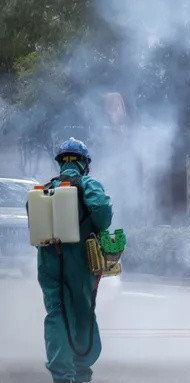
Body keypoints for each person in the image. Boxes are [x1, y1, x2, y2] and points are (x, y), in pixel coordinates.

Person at [36, 137, 113, 383]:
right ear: (84, 163)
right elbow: (102, 212)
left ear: (60, 162)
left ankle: (61, 375)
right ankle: (81, 373)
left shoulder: (45, 189)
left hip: (49, 263)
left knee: (57, 313)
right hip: (80, 262)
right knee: (82, 312)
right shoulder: (88, 184)